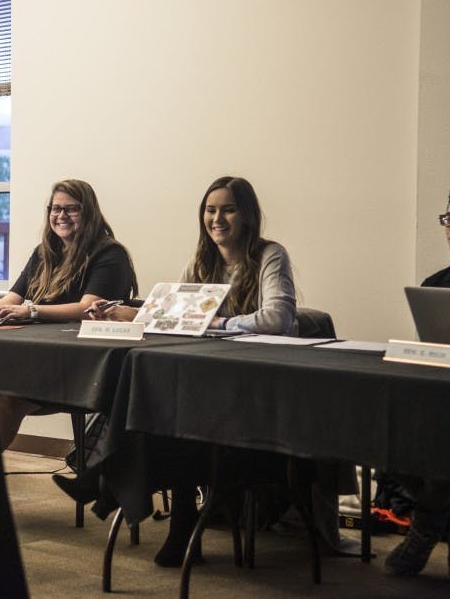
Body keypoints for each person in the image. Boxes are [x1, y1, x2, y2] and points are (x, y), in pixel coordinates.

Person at [56, 175, 297, 567]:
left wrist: (215, 323)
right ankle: (165, 509)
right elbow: (174, 316)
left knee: (168, 412)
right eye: (210, 210)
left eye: (228, 209)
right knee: (148, 396)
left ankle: (107, 482)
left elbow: (277, 319)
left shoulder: (271, 255)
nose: (217, 218)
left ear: (248, 215)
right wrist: (131, 313)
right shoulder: (200, 261)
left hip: (254, 383)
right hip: (204, 374)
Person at [0, 179, 137, 451]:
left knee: (11, 397)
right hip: (37, 355)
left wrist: (31, 310)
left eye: (71, 209)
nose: (60, 216)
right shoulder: (44, 252)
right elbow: (12, 297)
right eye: (55, 209)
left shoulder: (109, 253)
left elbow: (87, 308)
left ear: (88, 212)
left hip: (82, 365)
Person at [382, 182, 450, 581]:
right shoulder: (434, 285)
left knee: (445, 431)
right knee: (384, 430)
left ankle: (427, 529)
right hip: (444, 393)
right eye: (449, 218)